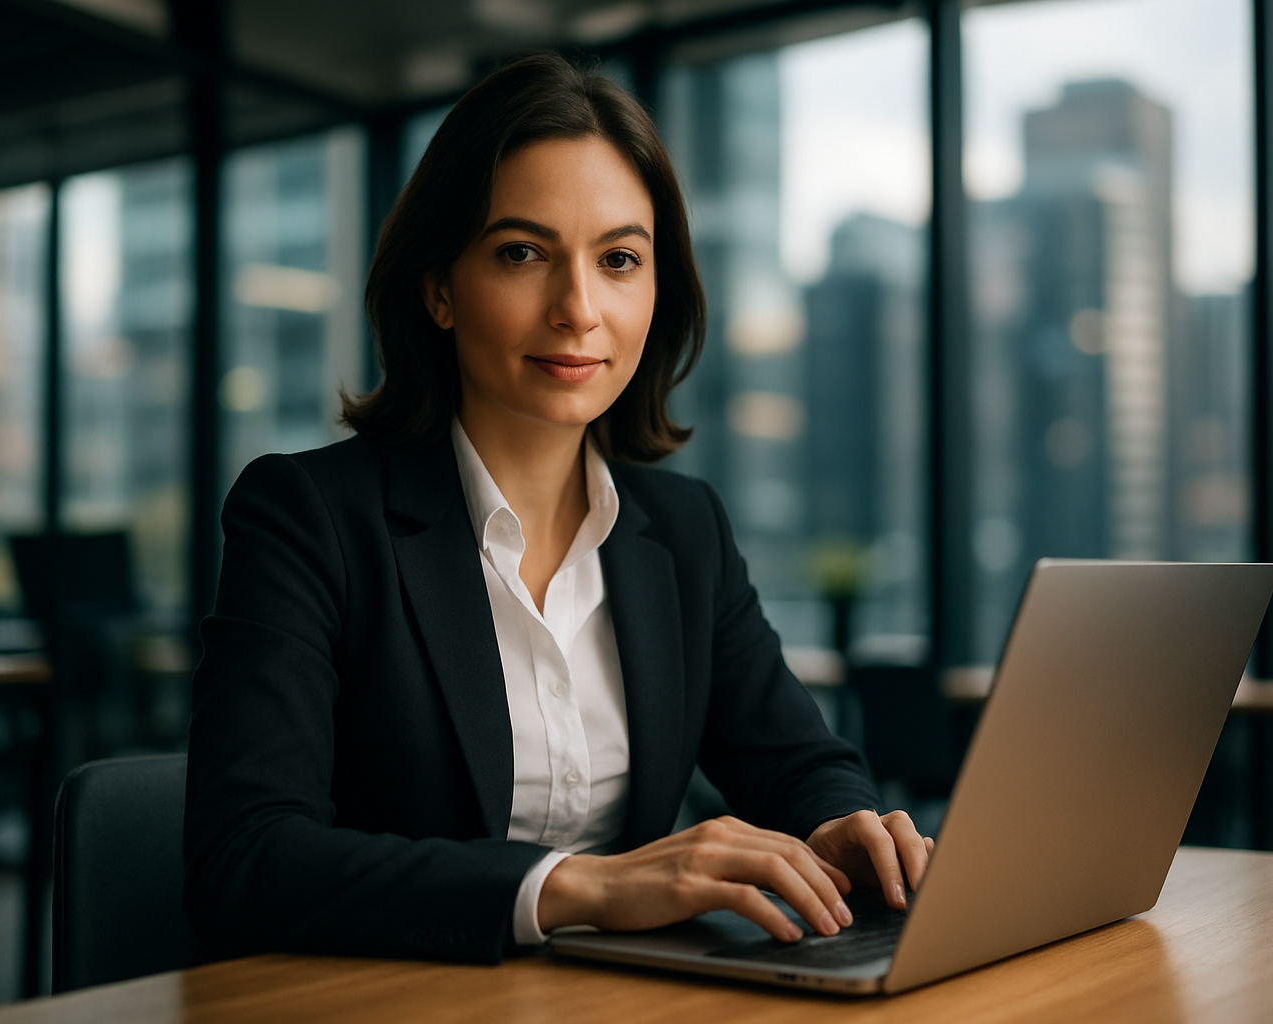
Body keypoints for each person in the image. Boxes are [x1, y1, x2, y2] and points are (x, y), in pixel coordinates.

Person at [183, 52, 932, 965]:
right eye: (523, 254)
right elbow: (246, 860)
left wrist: (840, 826)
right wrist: (583, 886)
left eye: (619, 259)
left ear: (659, 291)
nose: (578, 308)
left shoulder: (684, 530)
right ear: (439, 289)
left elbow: (797, 760)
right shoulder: (306, 517)